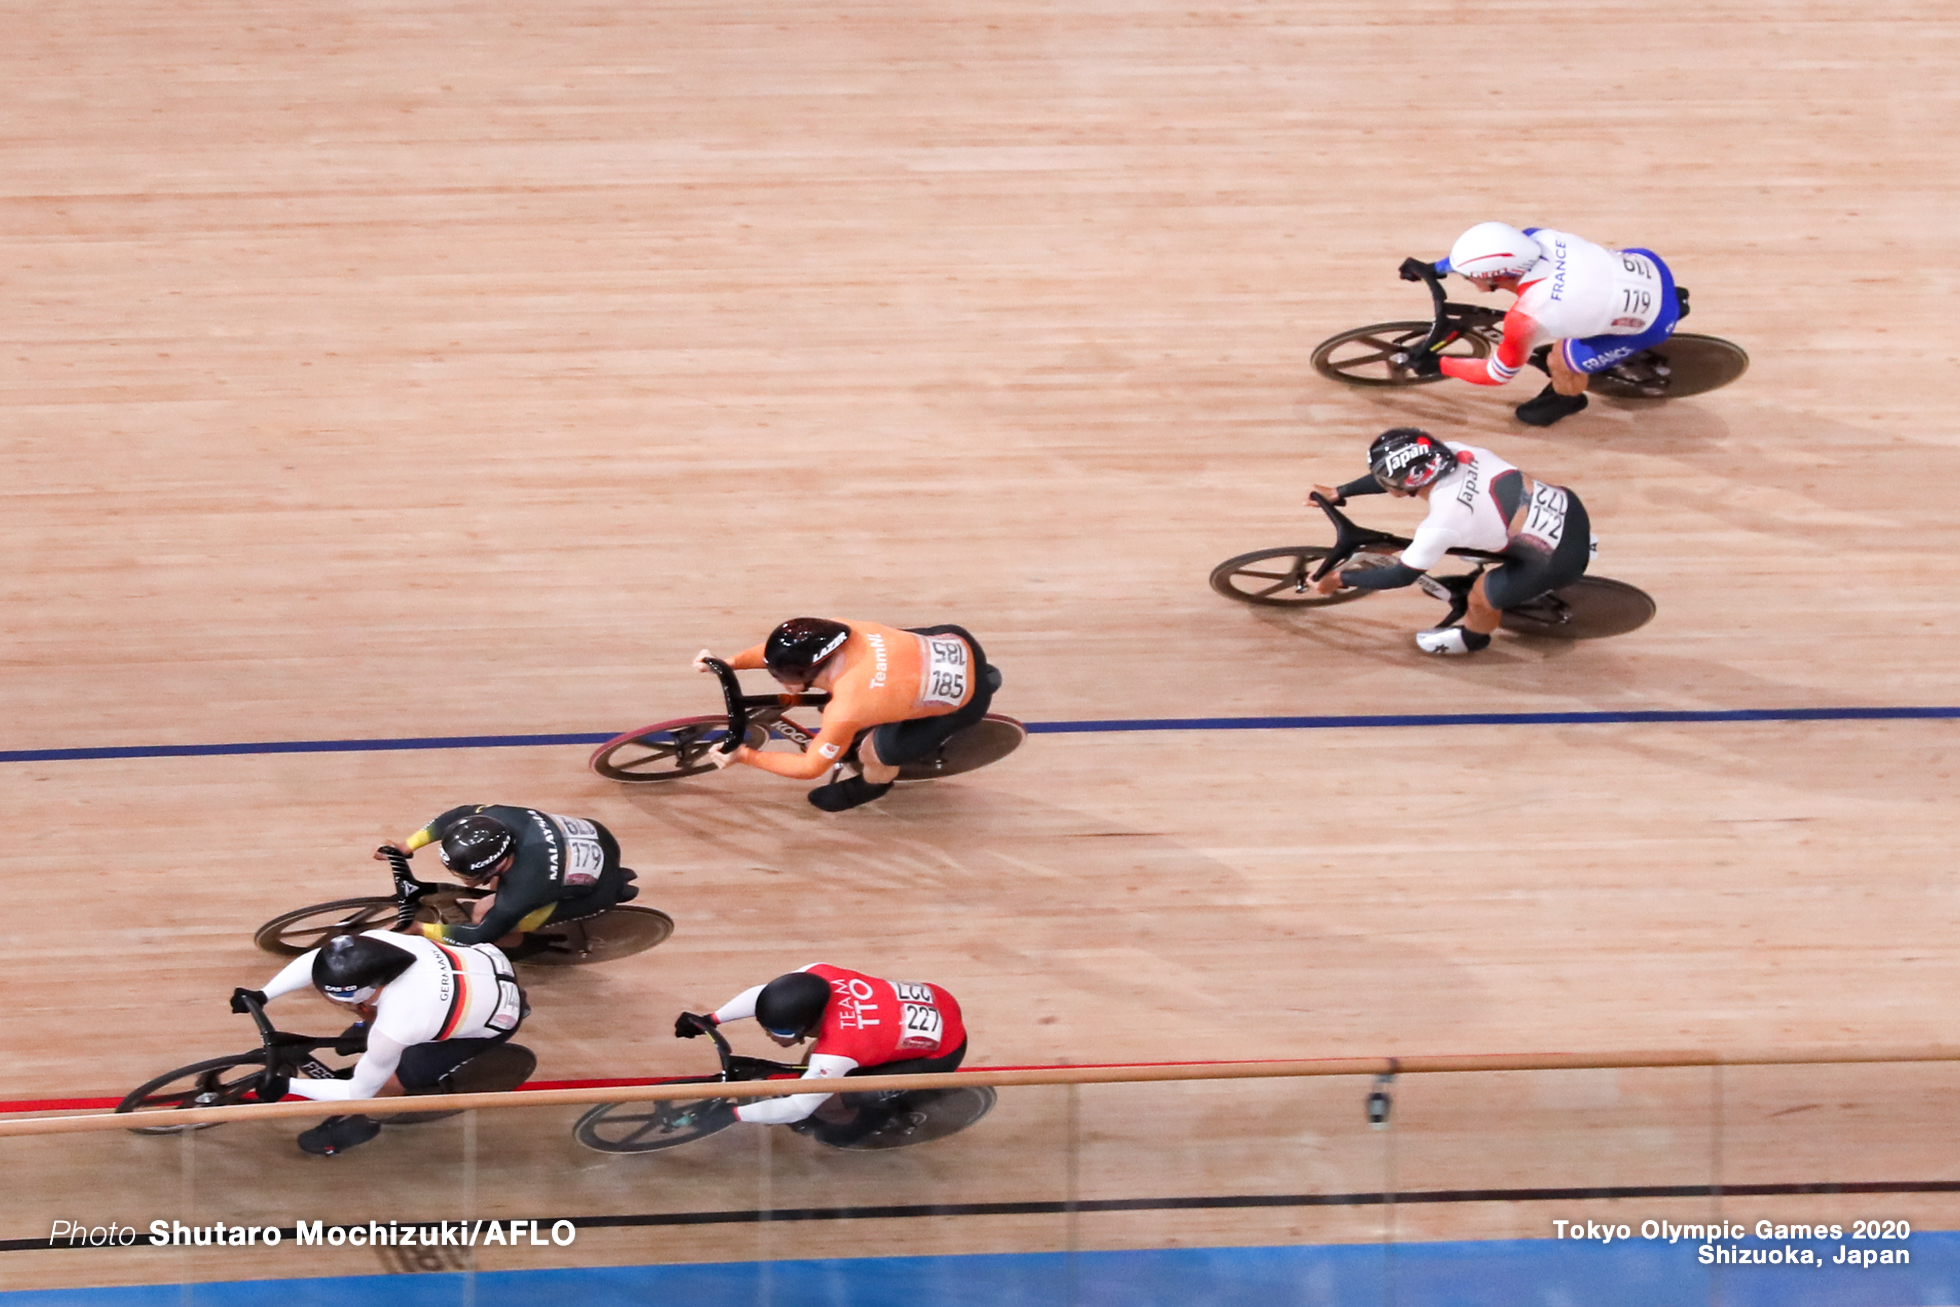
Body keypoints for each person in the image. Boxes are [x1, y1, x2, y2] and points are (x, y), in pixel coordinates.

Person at [230, 930, 527, 1156]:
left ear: (359, 997)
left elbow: (356, 1092)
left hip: (493, 1019)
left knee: (385, 1084)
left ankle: (364, 1124)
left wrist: (288, 1087)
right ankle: (368, 1030)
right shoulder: (374, 945)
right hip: (480, 970)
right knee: (379, 1033)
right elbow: (320, 961)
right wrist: (263, 993)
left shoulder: (397, 1023)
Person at [1309, 427, 1592, 655]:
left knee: (1480, 597)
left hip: (1557, 560)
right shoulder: (1458, 450)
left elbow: (1401, 576)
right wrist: (1341, 491)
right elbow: (1401, 477)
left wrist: (1340, 579)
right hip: (1569, 507)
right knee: (1457, 539)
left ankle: (1474, 639)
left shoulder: (1444, 522)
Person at [694, 618, 1002, 812]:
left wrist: (746, 756)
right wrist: (729, 662)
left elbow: (810, 767)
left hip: (965, 699)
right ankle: (889, 703)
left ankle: (874, 785)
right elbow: (781, 652)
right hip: (954, 640)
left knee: (876, 752)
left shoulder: (847, 709)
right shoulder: (840, 630)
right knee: (893, 646)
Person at [1408, 221, 1683, 427]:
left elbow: (1497, 375)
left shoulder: (1528, 316)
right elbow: (1494, 253)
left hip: (1654, 321)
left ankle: (1568, 399)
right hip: (1650, 265)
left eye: (1469, 276)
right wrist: (1437, 268)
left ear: (1496, 277)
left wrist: (1440, 364)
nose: (1467, 280)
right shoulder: (1536, 237)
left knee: (1559, 360)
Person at [675, 963, 967, 1138]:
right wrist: (712, 1018)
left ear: (806, 1025)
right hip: (933, 1001)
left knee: (826, 1104)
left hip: (941, 1052)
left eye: (780, 1032)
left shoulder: (837, 1049)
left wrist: (734, 1115)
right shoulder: (816, 973)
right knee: (814, 1067)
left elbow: (798, 1108)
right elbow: (767, 993)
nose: (769, 1035)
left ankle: (875, 1122)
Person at [378, 805, 639, 949]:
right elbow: (456, 817)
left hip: (599, 890)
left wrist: (420, 929)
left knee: (483, 913)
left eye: (465, 875)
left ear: (493, 867)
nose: (460, 878)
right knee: (496, 895)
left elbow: (479, 934)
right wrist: (406, 846)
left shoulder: (524, 888)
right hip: (597, 836)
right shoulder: (495, 819)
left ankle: (526, 945)